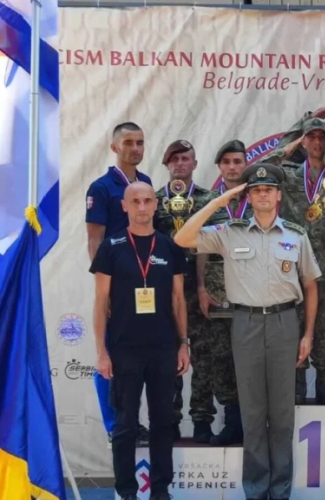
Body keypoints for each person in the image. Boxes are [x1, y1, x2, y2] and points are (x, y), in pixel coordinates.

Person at [174, 163, 320, 500]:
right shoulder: (229, 231)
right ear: (248, 196)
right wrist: (219, 202)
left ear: (279, 195)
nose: (263, 194)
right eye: (256, 190)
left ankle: (280, 490)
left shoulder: (296, 235)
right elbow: (182, 238)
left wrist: (308, 333)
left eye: (269, 189)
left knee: (282, 415)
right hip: (246, 324)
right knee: (253, 412)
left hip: (285, 323)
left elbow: (311, 285)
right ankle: (255, 490)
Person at [90, 182, 191, 500]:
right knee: (125, 425)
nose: (143, 207)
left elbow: (178, 300)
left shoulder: (169, 246)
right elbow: (100, 301)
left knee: (163, 422)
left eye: (148, 200)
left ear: (155, 205)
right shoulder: (111, 246)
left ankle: (161, 490)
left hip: (163, 348)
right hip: (124, 349)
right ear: (125, 206)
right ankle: (126, 491)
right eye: (136, 201)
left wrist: (183, 343)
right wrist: (101, 351)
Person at [259, 118, 325, 404]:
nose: (317, 143)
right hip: (292, 269)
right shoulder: (288, 174)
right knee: (294, 330)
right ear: (303, 141)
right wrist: (291, 141)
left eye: (322, 137)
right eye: (311, 137)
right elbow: (263, 166)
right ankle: (297, 387)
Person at [85, 121, 151, 448]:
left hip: (146, 284)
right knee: (109, 355)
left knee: (138, 357)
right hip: (115, 283)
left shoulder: (147, 183)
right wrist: (104, 289)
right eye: (128, 142)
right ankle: (115, 425)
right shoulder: (101, 187)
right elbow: (94, 241)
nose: (135, 148)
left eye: (140, 142)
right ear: (115, 147)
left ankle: (132, 421)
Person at [153, 140, 223, 442]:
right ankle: (169, 420)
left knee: (204, 357)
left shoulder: (209, 200)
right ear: (167, 165)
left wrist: (207, 287)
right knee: (169, 358)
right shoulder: (152, 202)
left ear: (195, 164)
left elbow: (215, 247)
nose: (180, 164)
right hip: (165, 293)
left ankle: (202, 419)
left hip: (198, 292)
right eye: (174, 159)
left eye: (186, 158)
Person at [193, 140, 252, 446]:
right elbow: (201, 247)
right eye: (226, 161)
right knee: (220, 357)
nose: (232, 167)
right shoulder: (208, 201)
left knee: (248, 358)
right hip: (218, 292)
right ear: (219, 167)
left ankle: (248, 424)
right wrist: (201, 287)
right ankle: (231, 422)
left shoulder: (259, 198)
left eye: (237, 161)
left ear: (246, 165)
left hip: (251, 295)